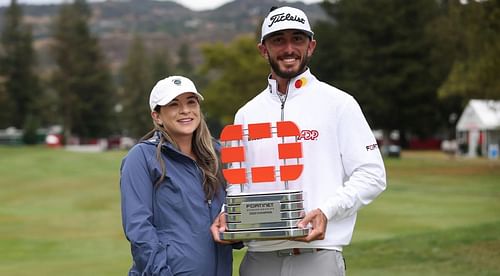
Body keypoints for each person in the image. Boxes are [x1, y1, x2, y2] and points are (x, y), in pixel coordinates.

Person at [211, 6, 387, 276]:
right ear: (263, 49)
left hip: (318, 256)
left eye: (298, 39)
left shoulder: (339, 104)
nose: (289, 48)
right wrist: (229, 214)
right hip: (260, 258)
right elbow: (237, 182)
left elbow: (372, 174)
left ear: (311, 46)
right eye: (278, 40)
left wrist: (327, 211)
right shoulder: (245, 114)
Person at [120, 76, 234, 275]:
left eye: (191, 102)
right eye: (174, 105)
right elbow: (139, 230)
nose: (185, 110)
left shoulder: (217, 156)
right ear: (157, 116)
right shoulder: (141, 157)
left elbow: (231, 212)